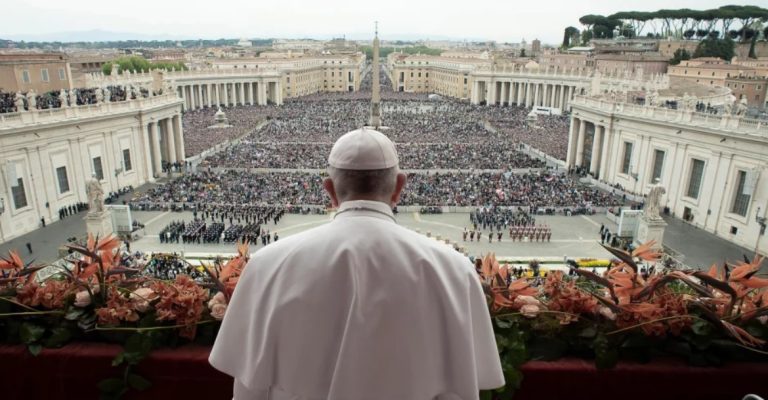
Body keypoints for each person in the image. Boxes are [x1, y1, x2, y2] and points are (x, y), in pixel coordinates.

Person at [210, 127, 504, 399]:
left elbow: (249, 389)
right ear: (399, 186)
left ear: (330, 190)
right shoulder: (454, 270)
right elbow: (460, 389)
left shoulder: (266, 265)